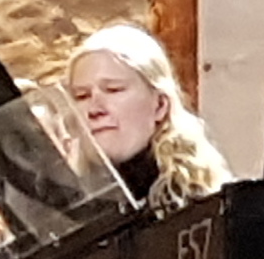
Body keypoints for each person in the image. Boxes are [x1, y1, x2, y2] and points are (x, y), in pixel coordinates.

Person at [62, 25, 232, 205]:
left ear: (160, 105)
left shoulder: (208, 204)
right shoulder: (67, 206)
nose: (95, 110)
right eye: (82, 96)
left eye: (113, 89)